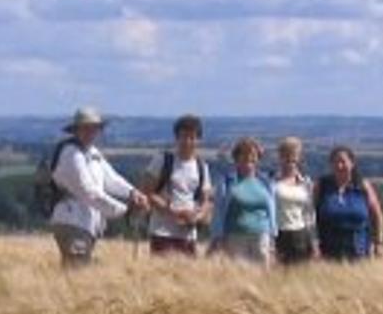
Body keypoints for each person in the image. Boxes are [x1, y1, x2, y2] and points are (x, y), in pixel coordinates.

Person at [49, 107, 151, 268]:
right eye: (85, 128)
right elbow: (89, 192)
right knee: (77, 273)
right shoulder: (72, 154)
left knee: (77, 272)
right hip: (72, 221)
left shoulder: (92, 152)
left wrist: (133, 193)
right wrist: (125, 210)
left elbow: (111, 179)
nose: (90, 133)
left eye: (94, 128)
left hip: (85, 224)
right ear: (76, 130)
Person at [144, 114, 213, 258]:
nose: (187, 142)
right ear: (176, 138)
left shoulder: (202, 167)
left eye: (192, 138)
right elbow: (147, 192)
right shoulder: (162, 160)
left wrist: (197, 217)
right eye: (184, 137)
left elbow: (205, 200)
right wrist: (174, 212)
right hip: (162, 232)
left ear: (198, 140)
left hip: (188, 234)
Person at [314, 145, 383, 261]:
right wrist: (314, 242)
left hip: (359, 250)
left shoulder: (363, 186)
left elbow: (377, 216)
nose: (339, 166)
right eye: (335, 162)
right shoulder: (322, 186)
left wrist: (379, 243)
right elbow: (310, 215)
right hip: (328, 251)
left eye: (343, 162)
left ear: (352, 163)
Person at [212, 137, 274, 264]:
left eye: (253, 155)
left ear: (258, 158)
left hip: (262, 236)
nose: (249, 158)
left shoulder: (266, 182)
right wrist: (218, 237)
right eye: (244, 154)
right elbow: (218, 211)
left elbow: (271, 210)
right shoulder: (227, 182)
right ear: (237, 158)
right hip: (235, 237)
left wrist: (273, 235)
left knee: (262, 274)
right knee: (237, 273)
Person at [272, 136, 317, 265]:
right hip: (279, 234)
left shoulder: (306, 183)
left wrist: (314, 241)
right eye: (286, 155)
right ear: (280, 157)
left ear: (299, 158)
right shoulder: (272, 182)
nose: (290, 160)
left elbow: (310, 214)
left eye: (294, 156)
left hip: (301, 235)